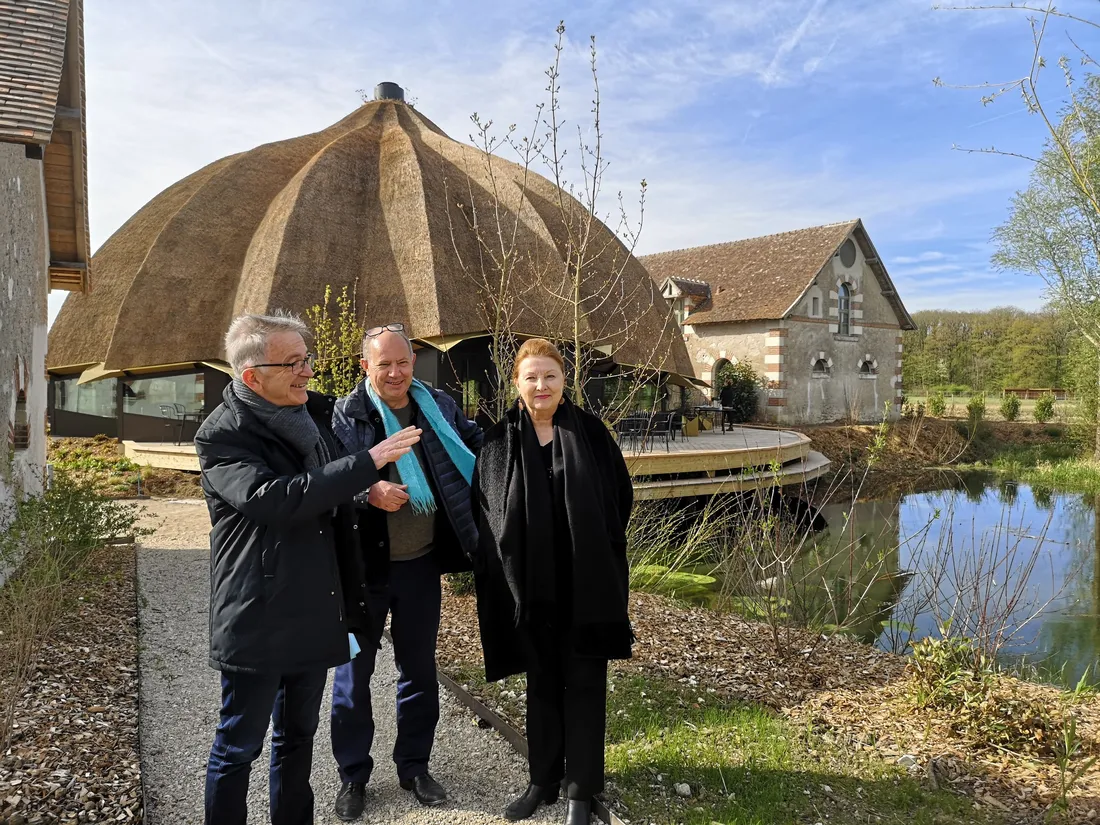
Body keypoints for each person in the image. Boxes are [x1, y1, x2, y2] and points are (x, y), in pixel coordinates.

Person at [195, 312, 421, 825]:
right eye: (293, 363)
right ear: (252, 376)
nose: (307, 373)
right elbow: (275, 499)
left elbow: (334, 502)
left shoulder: (313, 419)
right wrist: (370, 461)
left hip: (314, 610)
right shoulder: (223, 436)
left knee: (298, 739)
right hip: (257, 615)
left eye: (308, 360)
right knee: (238, 747)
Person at [472, 338, 634, 825]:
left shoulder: (589, 432)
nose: (541, 386)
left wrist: (594, 550)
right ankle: (542, 779)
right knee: (541, 683)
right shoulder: (499, 441)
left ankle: (581, 790)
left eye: (550, 376)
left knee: (584, 681)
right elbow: (486, 508)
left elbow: (618, 498)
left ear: (565, 381)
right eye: (531, 377)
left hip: (585, 583)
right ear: (516, 383)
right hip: (530, 586)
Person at [329, 323, 483, 820]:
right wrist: (366, 491)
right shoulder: (344, 415)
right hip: (363, 570)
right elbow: (324, 479)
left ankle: (414, 767)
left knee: (418, 672)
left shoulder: (437, 405)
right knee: (354, 676)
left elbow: (479, 445)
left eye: (402, 362)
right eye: (384, 364)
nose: (394, 373)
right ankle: (353, 776)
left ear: (414, 361)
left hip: (421, 565)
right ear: (364, 367)